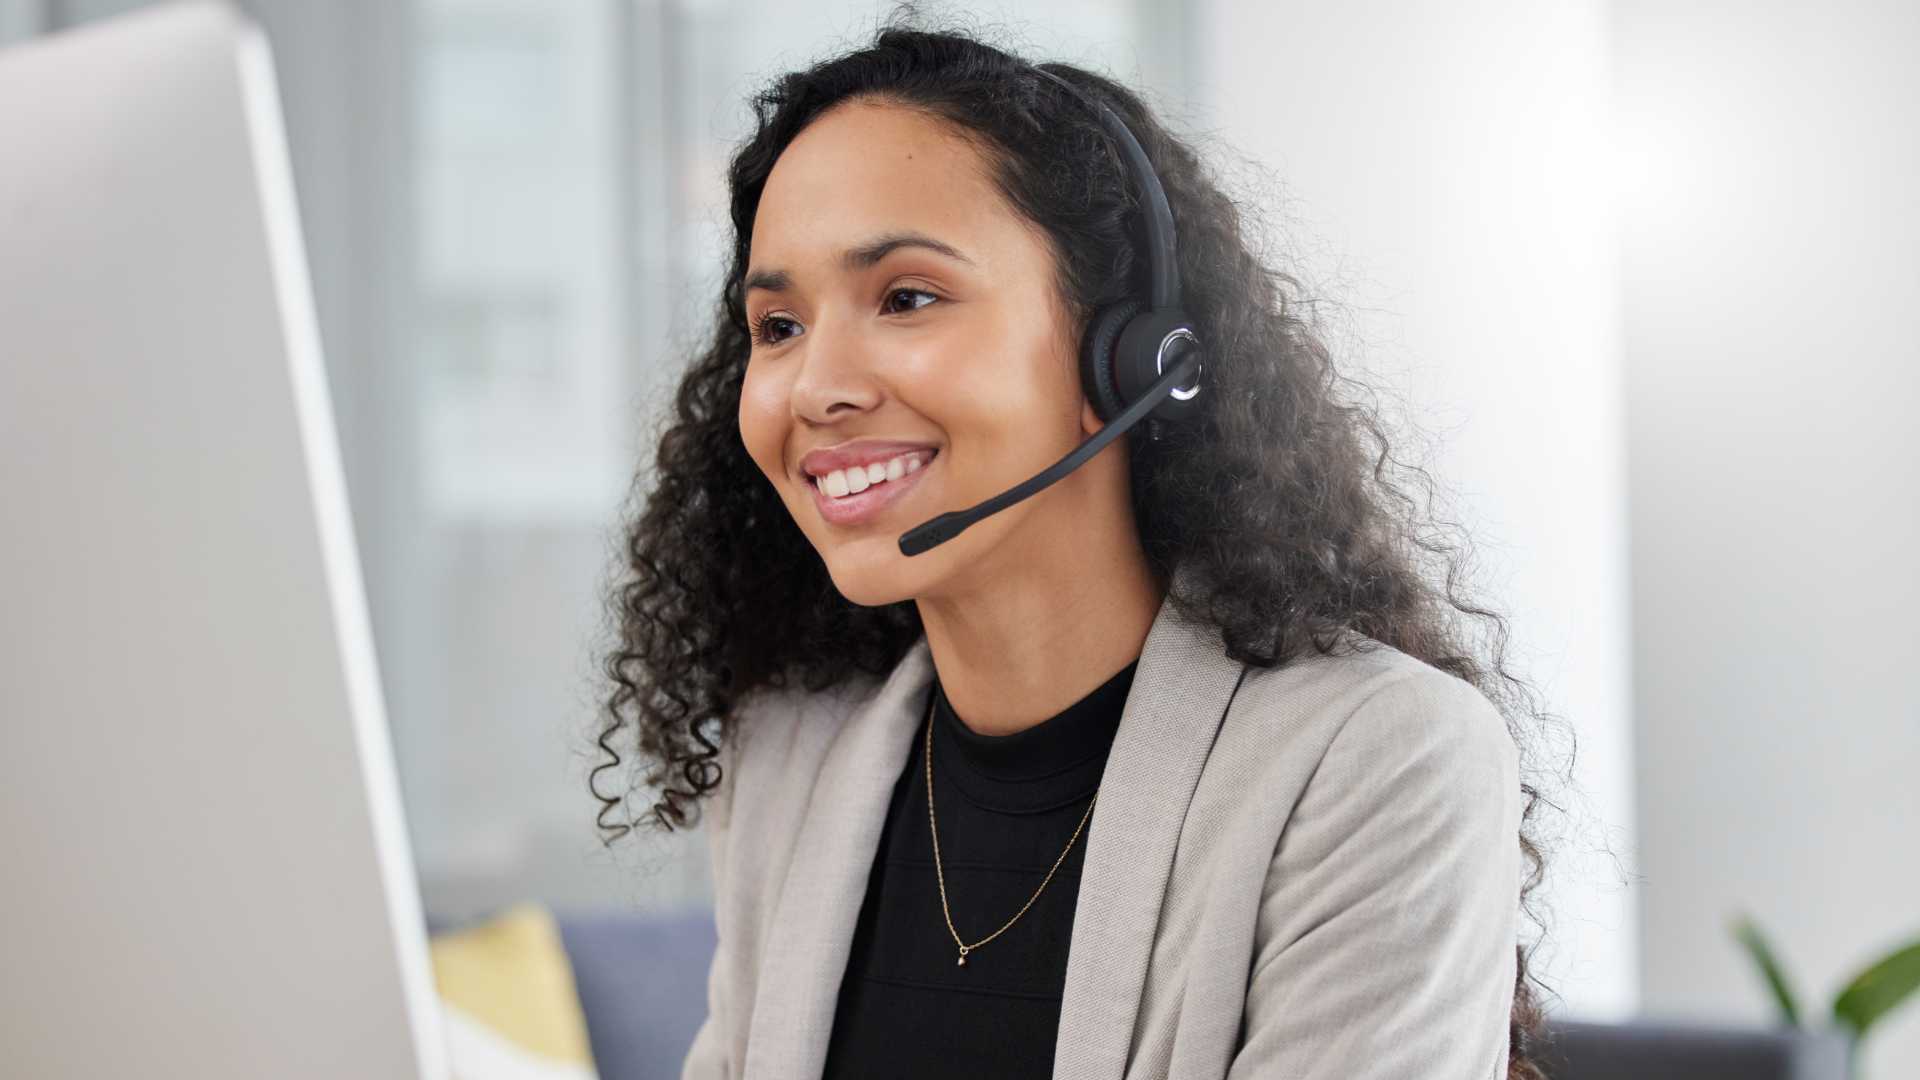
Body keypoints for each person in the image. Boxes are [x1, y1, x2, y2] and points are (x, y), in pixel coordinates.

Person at [590, 14, 1560, 1080]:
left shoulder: (1377, 761)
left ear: (1130, 356)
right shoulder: (792, 758)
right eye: (778, 327)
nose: (815, 386)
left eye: (907, 298)